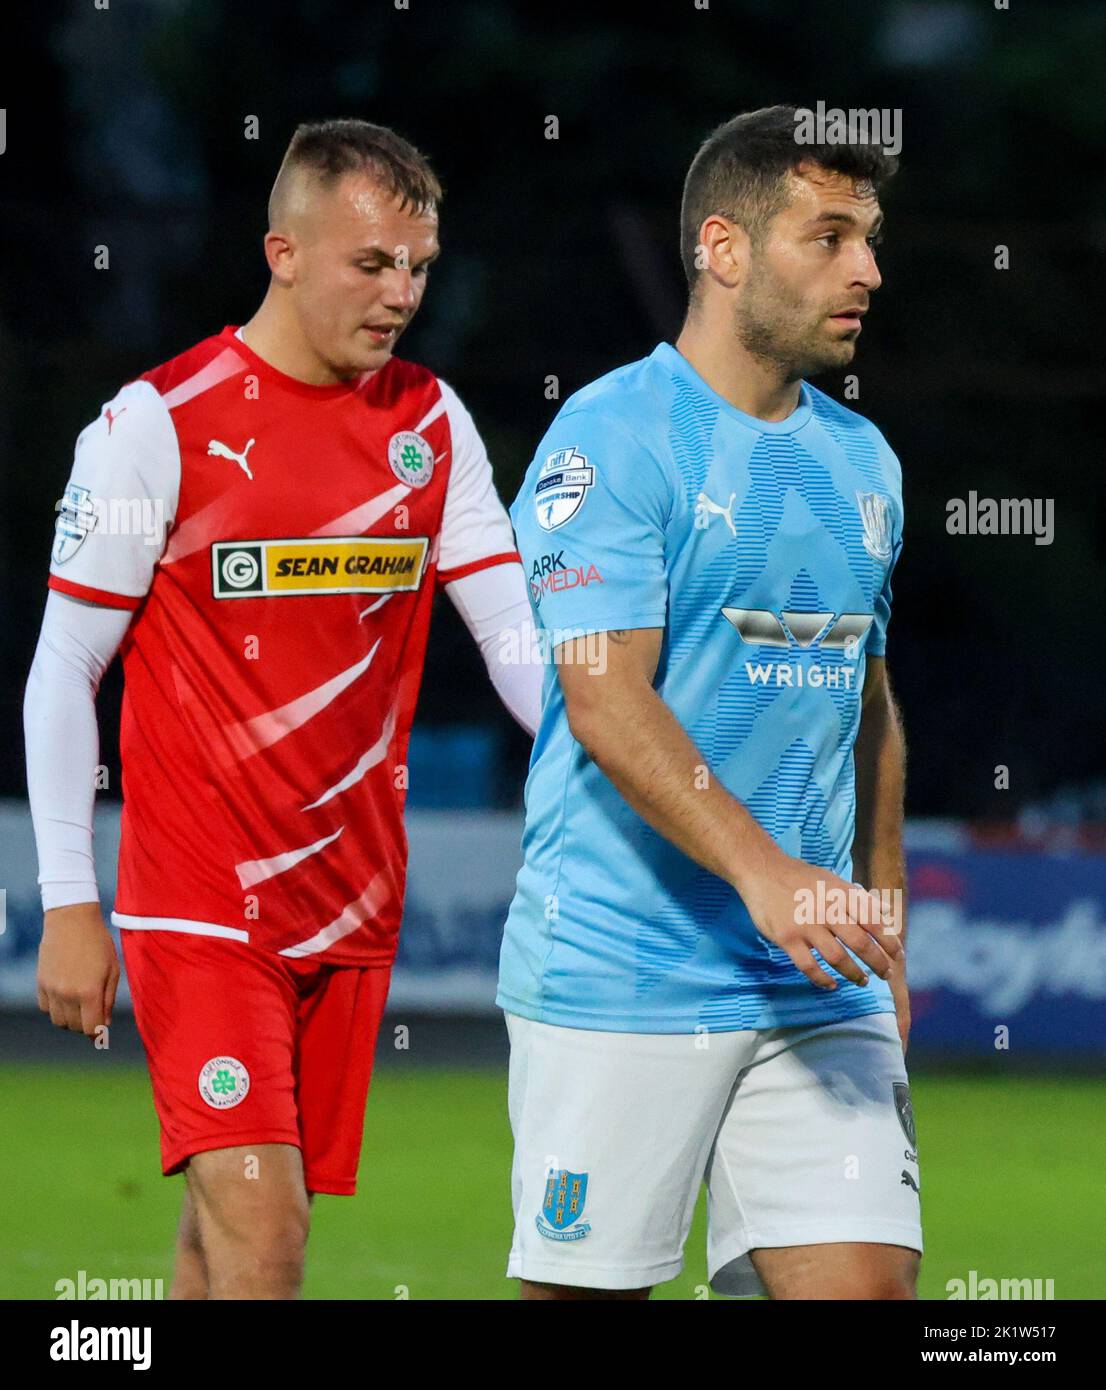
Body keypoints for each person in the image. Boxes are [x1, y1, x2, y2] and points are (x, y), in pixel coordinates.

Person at [24, 118, 541, 1300]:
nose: (401, 293)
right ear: (285, 251)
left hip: (352, 900)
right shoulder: (154, 427)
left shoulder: (429, 424)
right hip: (202, 904)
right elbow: (66, 667)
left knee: (220, 1244)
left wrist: (614, 742)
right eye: (372, 263)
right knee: (268, 1235)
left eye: (418, 266)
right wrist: (68, 900)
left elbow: (512, 636)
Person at [500, 104, 918, 1300]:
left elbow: (869, 699)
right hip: (624, 967)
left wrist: (878, 905)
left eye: (870, 238)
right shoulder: (610, 437)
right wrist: (762, 870)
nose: (866, 270)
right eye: (828, 236)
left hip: (813, 978)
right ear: (723, 250)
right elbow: (602, 699)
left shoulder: (864, 463)